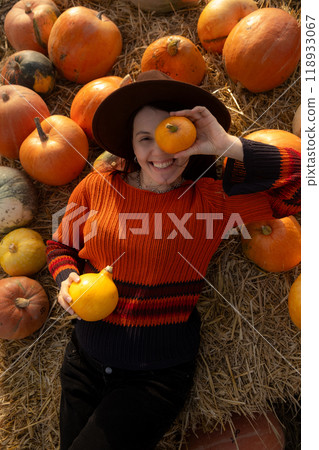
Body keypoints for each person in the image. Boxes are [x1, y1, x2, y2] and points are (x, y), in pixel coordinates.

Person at [46, 70, 301, 450]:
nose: (160, 153)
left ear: (192, 139)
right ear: (131, 146)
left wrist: (226, 145)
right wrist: (66, 278)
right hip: (84, 360)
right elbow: (61, 245)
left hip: (153, 376)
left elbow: (303, 190)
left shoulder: (211, 201)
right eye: (145, 139)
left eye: (171, 135)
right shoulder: (96, 186)